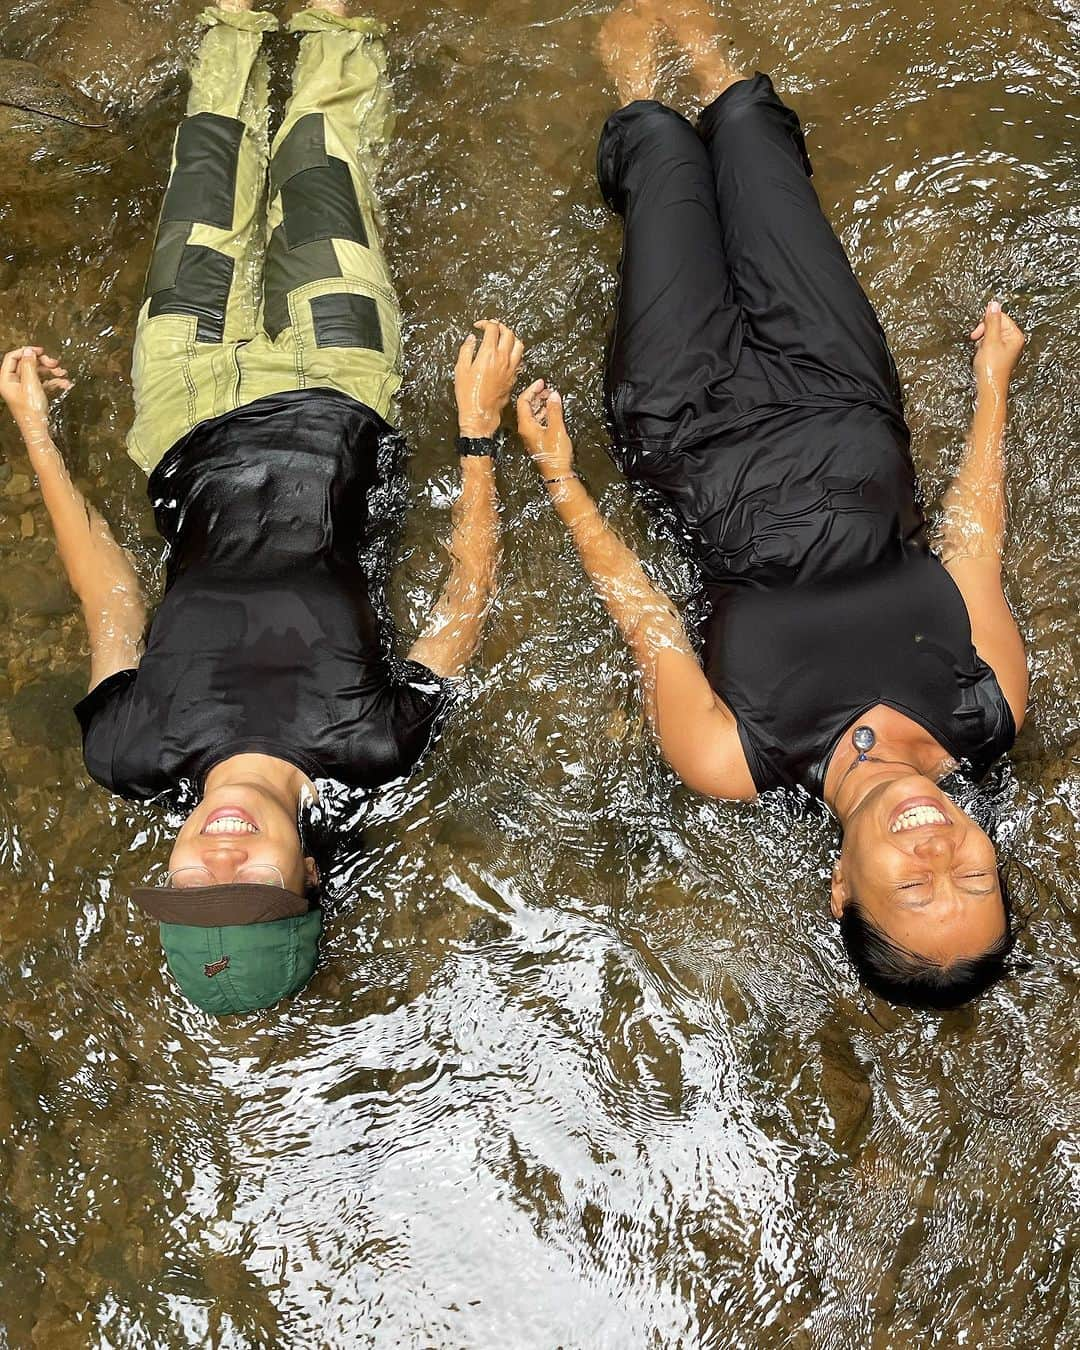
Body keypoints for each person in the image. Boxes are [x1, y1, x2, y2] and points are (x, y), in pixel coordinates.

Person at [0, 0, 523, 1015]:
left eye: (193, 888)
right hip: (338, 386)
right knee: (323, 164)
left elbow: (107, 591)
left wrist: (33, 435)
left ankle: (234, 21)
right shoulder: (373, 745)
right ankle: (330, 23)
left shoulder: (133, 750)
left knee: (205, 174)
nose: (217, 857)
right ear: (308, 878)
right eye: (250, 888)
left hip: (184, 407)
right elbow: (465, 596)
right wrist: (475, 431)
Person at [516, 0, 1029, 1010]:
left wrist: (559, 476)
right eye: (972, 875)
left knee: (661, 156)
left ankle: (634, 88)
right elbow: (974, 543)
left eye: (915, 888)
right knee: (750, 131)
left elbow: (647, 618)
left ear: (843, 891)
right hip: (841, 390)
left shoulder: (734, 757)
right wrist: (994, 389)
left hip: (687, 421)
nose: (938, 849)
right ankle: (703, 44)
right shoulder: (987, 706)